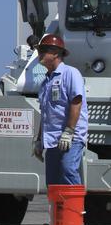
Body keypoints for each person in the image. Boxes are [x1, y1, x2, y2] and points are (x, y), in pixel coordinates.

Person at [33, 33, 88, 185]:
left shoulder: (70, 73)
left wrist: (69, 131)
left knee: (68, 169)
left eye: (43, 50)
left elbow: (76, 102)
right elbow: (46, 114)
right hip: (52, 139)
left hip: (70, 137)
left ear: (56, 53)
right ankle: (56, 209)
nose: (39, 54)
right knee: (52, 181)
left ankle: (75, 208)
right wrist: (39, 140)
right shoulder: (46, 82)